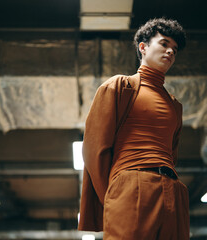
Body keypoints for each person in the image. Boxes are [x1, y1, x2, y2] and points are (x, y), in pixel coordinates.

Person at [78, 18, 189, 240]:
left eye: (174, 50)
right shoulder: (120, 87)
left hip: (172, 189)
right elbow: (93, 149)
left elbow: (171, 154)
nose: (170, 52)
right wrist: (113, 194)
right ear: (143, 47)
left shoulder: (175, 106)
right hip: (131, 182)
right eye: (164, 44)